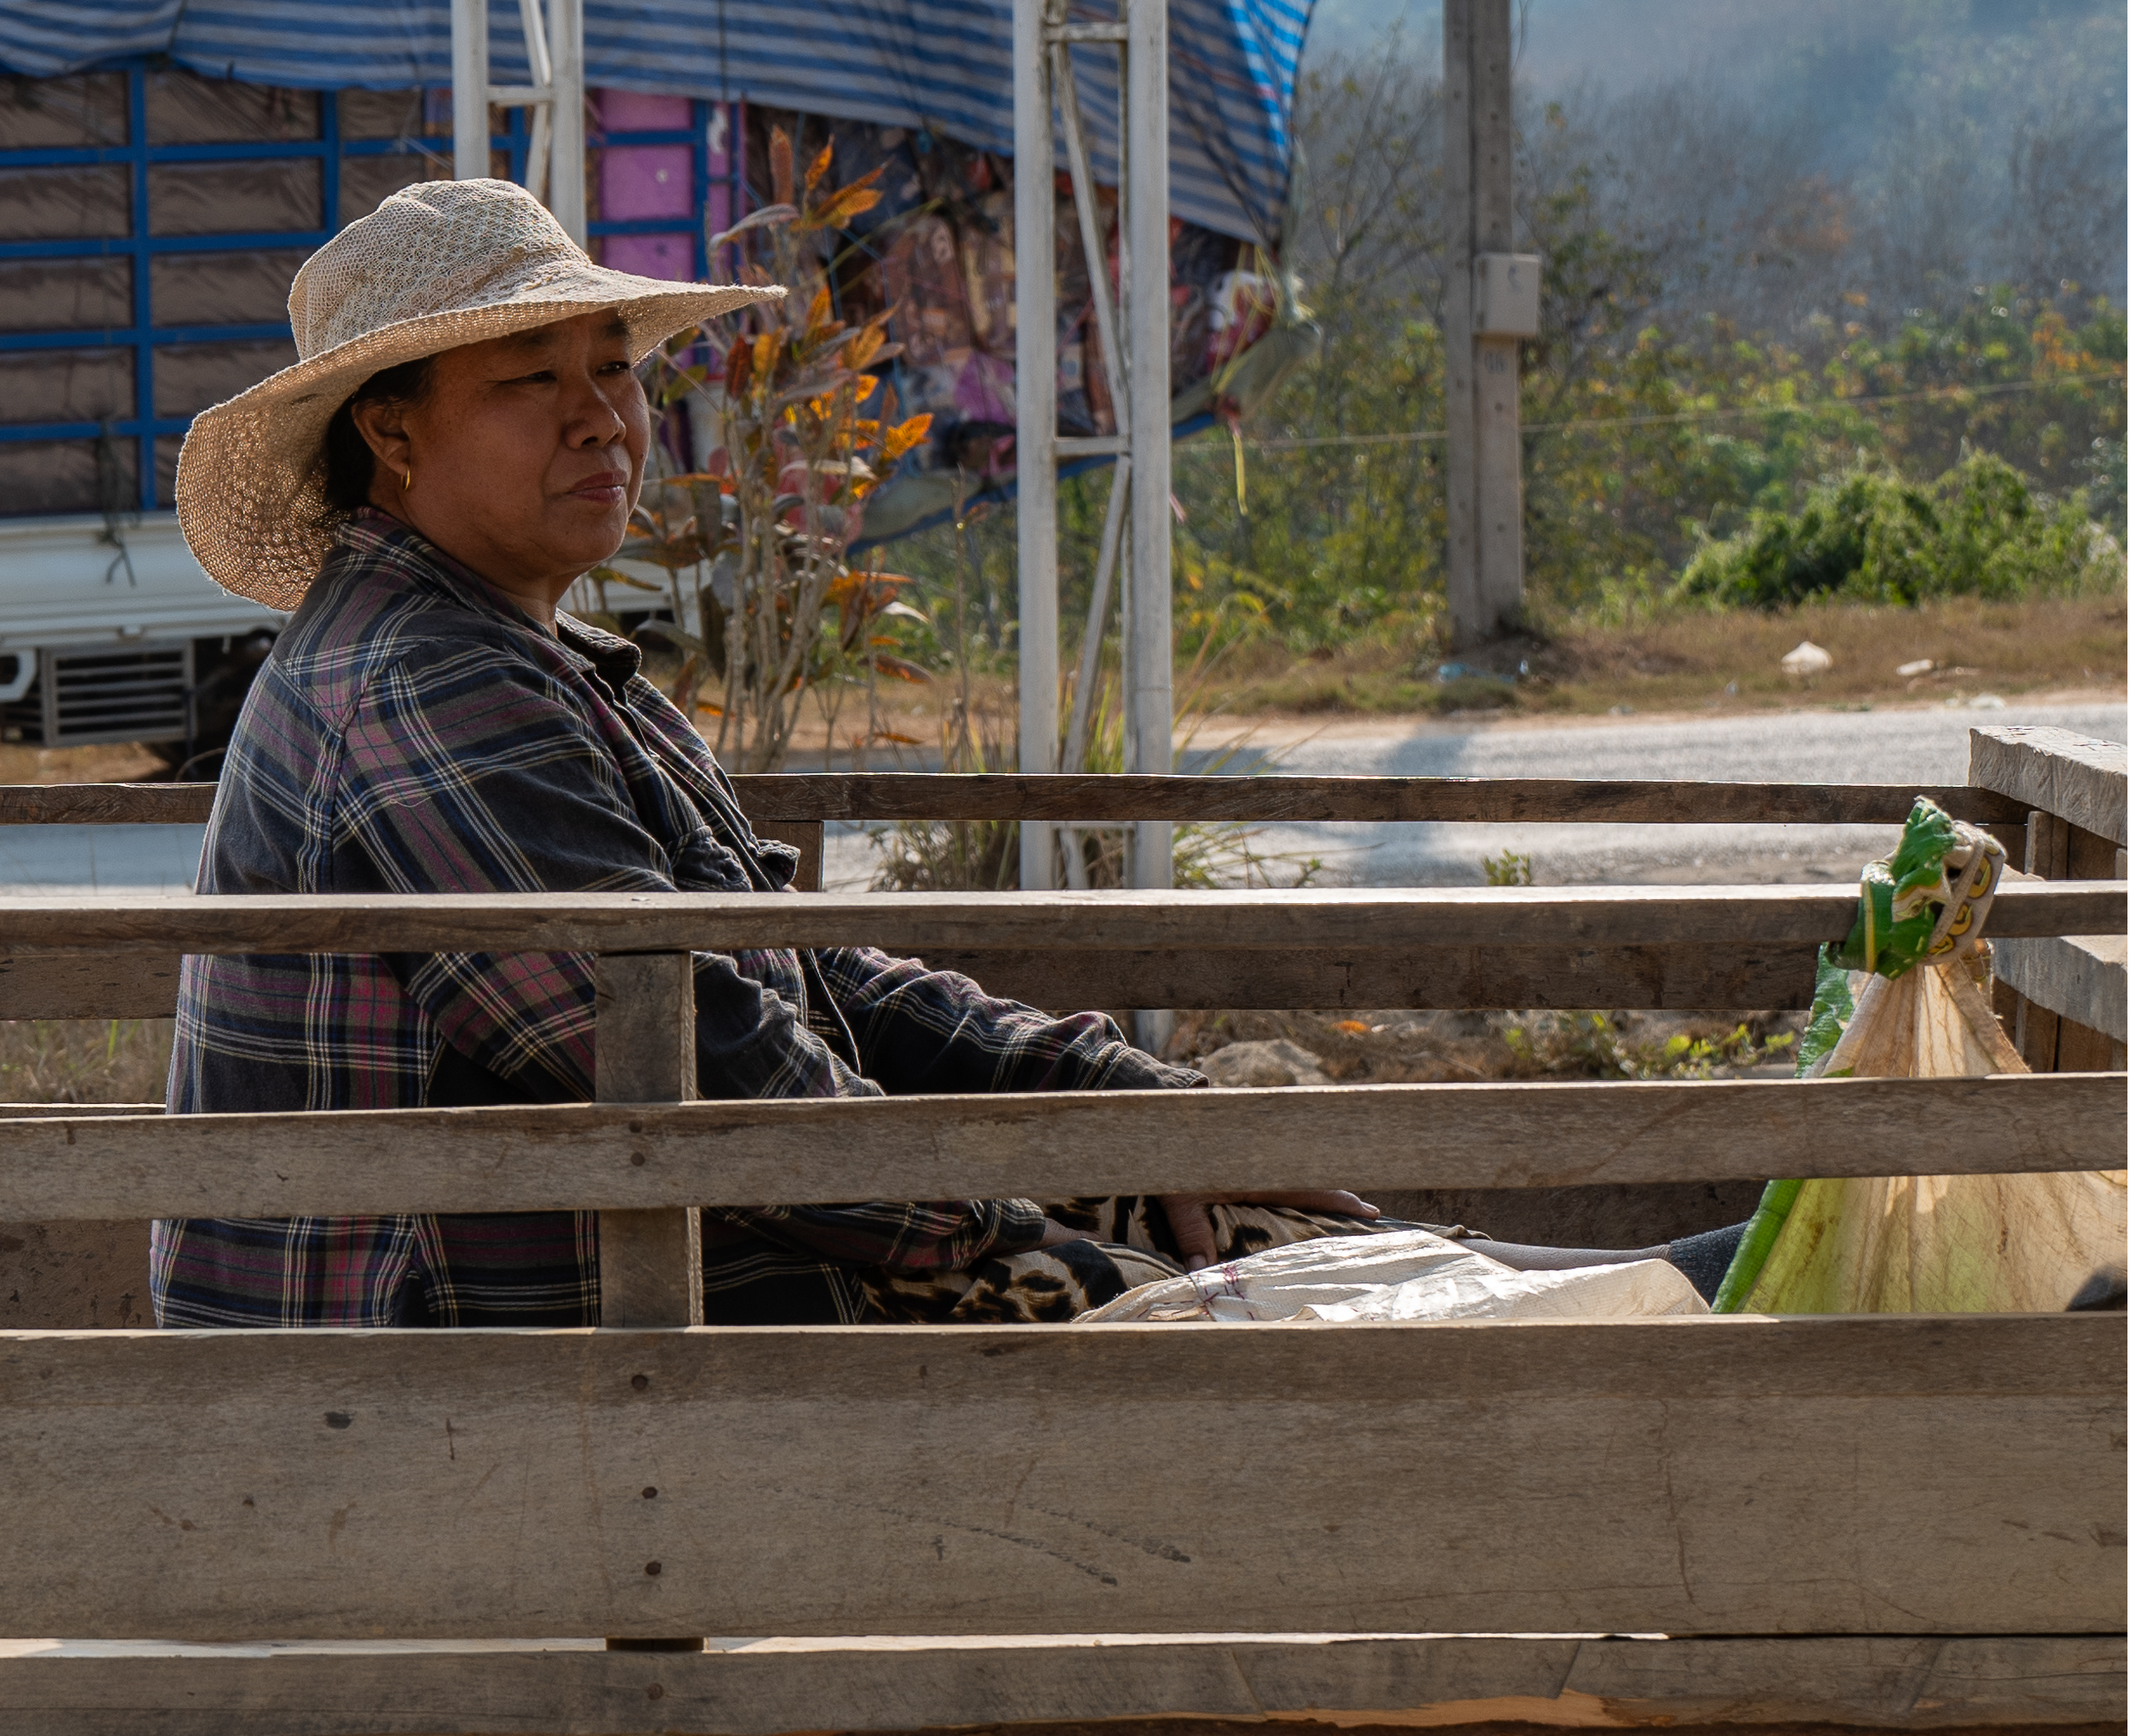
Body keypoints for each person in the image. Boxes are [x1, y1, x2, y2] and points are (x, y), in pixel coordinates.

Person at [155, 176, 1368, 1331]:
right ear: (392, 431)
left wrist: (1111, 1103)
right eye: (531, 377)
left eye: (614, 367)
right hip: (459, 1373)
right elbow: (691, 1059)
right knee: (1247, 1313)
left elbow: (811, 978)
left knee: (1266, 1246)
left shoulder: (536, 660)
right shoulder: (422, 683)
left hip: (614, 1306)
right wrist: (1022, 1207)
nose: (601, 416)